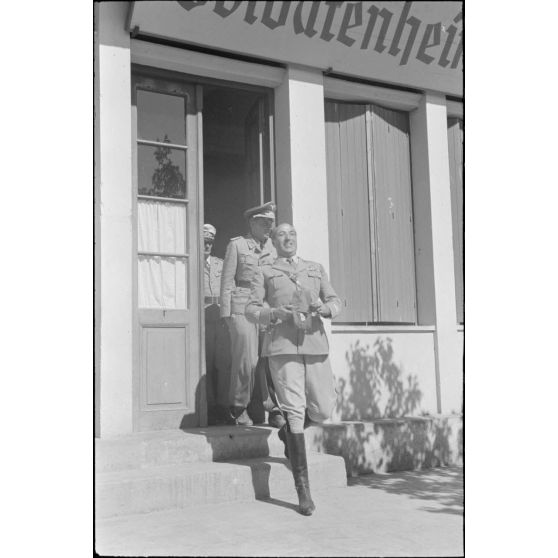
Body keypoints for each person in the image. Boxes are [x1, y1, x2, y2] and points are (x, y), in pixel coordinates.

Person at [245, 223, 341, 516]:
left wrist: (325, 309)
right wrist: (273, 313)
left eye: (293, 234)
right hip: (282, 347)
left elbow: (335, 301)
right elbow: (250, 309)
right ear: (273, 241)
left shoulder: (314, 268)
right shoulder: (265, 271)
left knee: (324, 409)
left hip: (315, 345)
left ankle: (287, 435)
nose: (288, 238)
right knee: (295, 412)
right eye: (282, 235)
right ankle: (304, 492)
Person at [220, 202, 285, 428]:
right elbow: (227, 280)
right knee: (246, 359)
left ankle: (272, 407)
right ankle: (238, 407)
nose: (268, 227)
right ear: (252, 223)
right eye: (264, 222)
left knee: (268, 359)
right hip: (242, 304)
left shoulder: (274, 250)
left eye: (270, 223)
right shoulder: (237, 246)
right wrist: (226, 313)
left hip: (265, 306)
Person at [203, 224, 232, 426]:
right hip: (202, 317)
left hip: (220, 317)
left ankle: (223, 406)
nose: (207, 246)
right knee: (207, 363)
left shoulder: (220, 264)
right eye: (204, 242)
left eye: (210, 242)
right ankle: (209, 406)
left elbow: (230, 287)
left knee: (223, 363)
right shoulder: (191, 262)